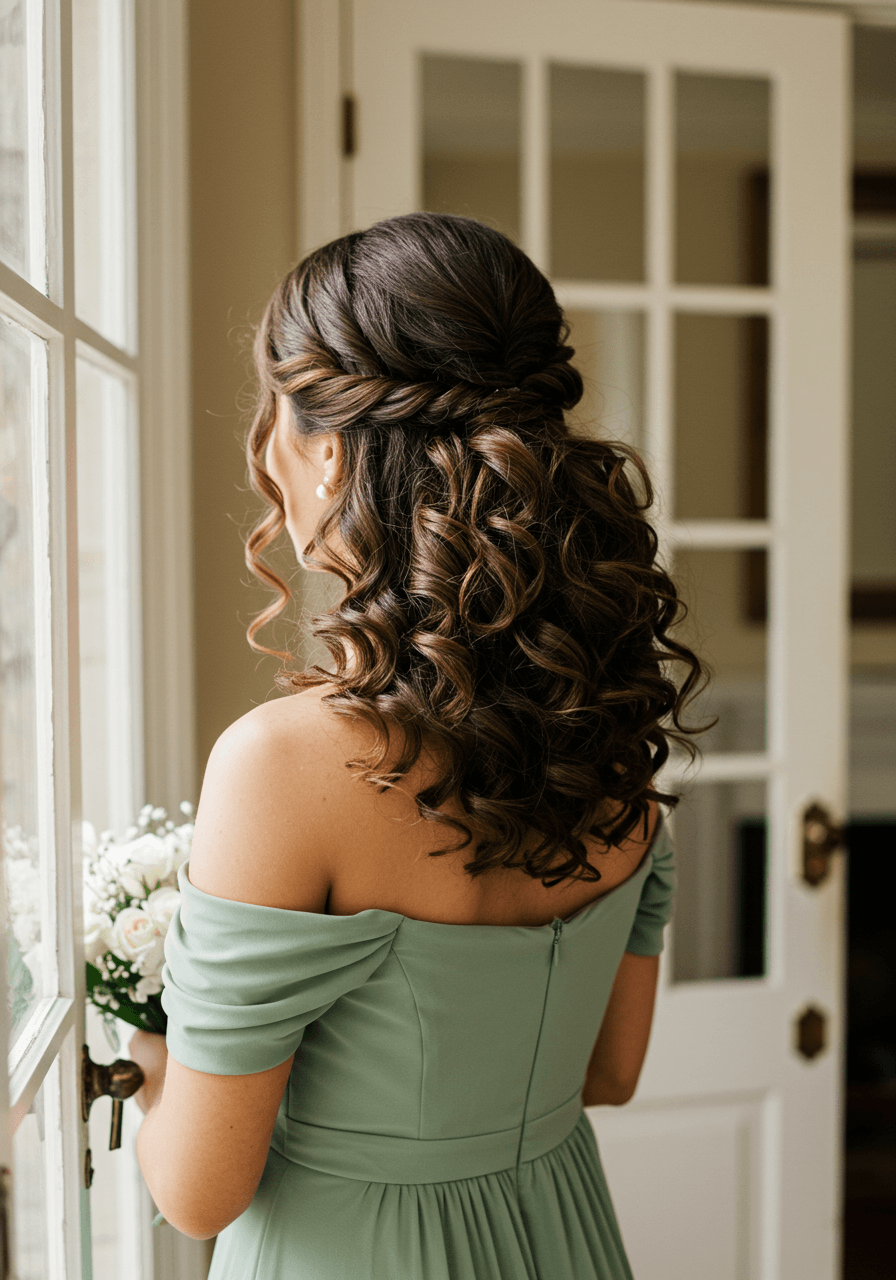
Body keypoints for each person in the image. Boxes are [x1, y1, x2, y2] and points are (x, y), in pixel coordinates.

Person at [129, 212, 708, 1279]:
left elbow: (196, 1192)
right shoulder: (606, 725)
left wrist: (148, 1045)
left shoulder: (282, 765)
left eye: (271, 407)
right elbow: (610, 1072)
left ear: (327, 447)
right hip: (559, 1234)